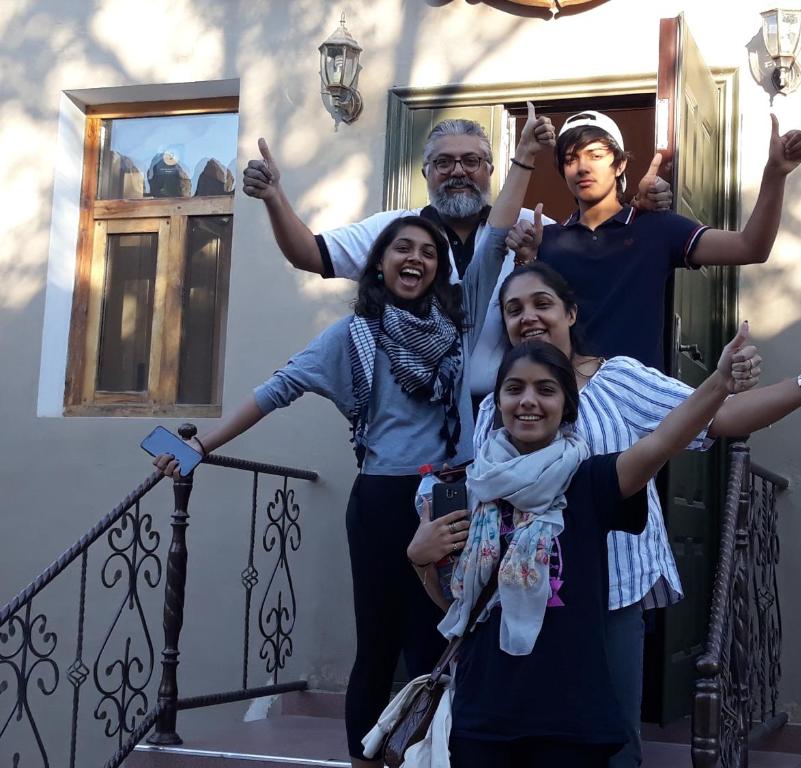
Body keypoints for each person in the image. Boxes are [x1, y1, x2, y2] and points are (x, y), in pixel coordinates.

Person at [410, 262, 801, 768]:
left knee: (607, 738)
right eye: (514, 309)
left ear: (571, 312)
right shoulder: (496, 413)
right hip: (508, 602)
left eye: (542, 303)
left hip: (607, 592)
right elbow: (487, 511)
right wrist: (425, 557)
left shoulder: (616, 380)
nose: (529, 317)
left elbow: (704, 422)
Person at [153, 212, 505, 768]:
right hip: (386, 500)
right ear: (380, 264)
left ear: (441, 269)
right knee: (379, 645)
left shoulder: (458, 327)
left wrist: (526, 159)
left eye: (428, 252)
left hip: (451, 499)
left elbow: (496, 239)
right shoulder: (353, 335)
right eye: (402, 249)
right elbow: (281, 386)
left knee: (438, 646)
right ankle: (365, 760)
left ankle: (429, 759)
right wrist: (203, 446)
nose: (415, 258)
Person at [411, 333, 760, 768]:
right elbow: (455, 606)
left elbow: (661, 442)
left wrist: (718, 385)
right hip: (484, 714)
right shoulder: (469, 491)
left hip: (571, 716)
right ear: (498, 403)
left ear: (566, 406)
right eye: (514, 388)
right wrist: (420, 559)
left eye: (546, 389)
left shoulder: (591, 480)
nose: (528, 401)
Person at [240, 112, 673, 400]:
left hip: (507, 418)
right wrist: (275, 197)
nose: (458, 171)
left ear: (490, 170)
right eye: (444, 163)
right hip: (415, 419)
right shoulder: (395, 231)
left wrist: (642, 212)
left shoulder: (531, 226)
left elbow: (600, 263)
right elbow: (309, 254)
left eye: (471, 161)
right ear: (426, 173)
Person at [501, 109, 801, 370]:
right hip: (568, 403)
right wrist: (525, 256)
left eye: (595, 155)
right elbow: (522, 323)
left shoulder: (656, 228)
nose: (582, 167)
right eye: (570, 160)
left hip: (642, 402)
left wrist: (775, 174)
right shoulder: (548, 239)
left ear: (620, 163)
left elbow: (751, 247)